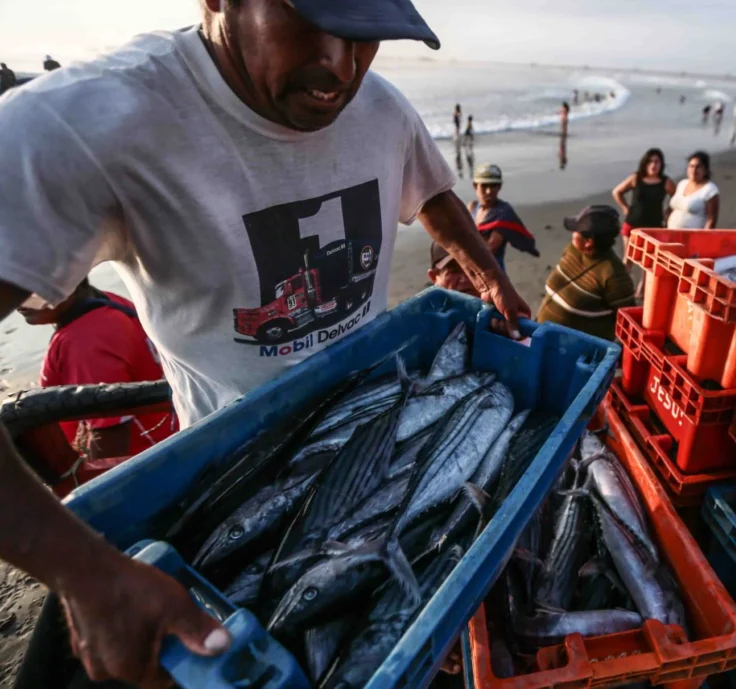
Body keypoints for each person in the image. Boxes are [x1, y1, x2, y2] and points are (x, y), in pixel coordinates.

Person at [0, 1, 530, 686]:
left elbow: (431, 192)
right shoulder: (82, 124)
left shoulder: (380, 108)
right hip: (237, 473)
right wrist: (83, 570)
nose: (341, 67)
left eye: (365, 33)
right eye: (311, 18)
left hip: (382, 414)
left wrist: (489, 277)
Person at [16, 279, 177, 462]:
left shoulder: (84, 343)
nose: (17, 302)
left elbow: (111, 438)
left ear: (70, 276)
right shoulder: (107, 302)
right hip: (171, 435)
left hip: (151, 459)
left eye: (27, 288)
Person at [536, 205, 635, 341]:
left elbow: (628, 319)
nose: (572, 233)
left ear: (589, 242)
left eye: (576, 231)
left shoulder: (614, 275)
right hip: (543, 335)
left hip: (576, 348)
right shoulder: (572, 249)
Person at [468, 163, 539, 272]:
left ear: (499, 187)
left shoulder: (503, 213)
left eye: (493, 186)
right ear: (475, 186)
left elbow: (489, 251)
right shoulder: (472, 207)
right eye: (484, 186)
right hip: (468, 269)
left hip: (492, 272)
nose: (488, 191)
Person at [612, 148, 676, 250]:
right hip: (633, 224)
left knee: (652, 257)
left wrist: (668, 211)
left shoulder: (665, 182)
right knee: (628, 256)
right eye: (650, 161)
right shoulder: (636, 178)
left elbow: (677, 198)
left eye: (656, 162)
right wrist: (625, 208)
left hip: (654, 227)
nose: (653, 165)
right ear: (645, 163)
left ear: (661, 164)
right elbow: (617, 192)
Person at [667, 151, 720, 230]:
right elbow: (673, 208)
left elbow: (711, 219)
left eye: (698, 167)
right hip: (671, 232)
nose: (694, 170)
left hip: (693, 234)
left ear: (705, 170)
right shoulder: (682, 184)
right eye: (691, 166)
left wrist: (705, 235)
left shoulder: (710, 190)